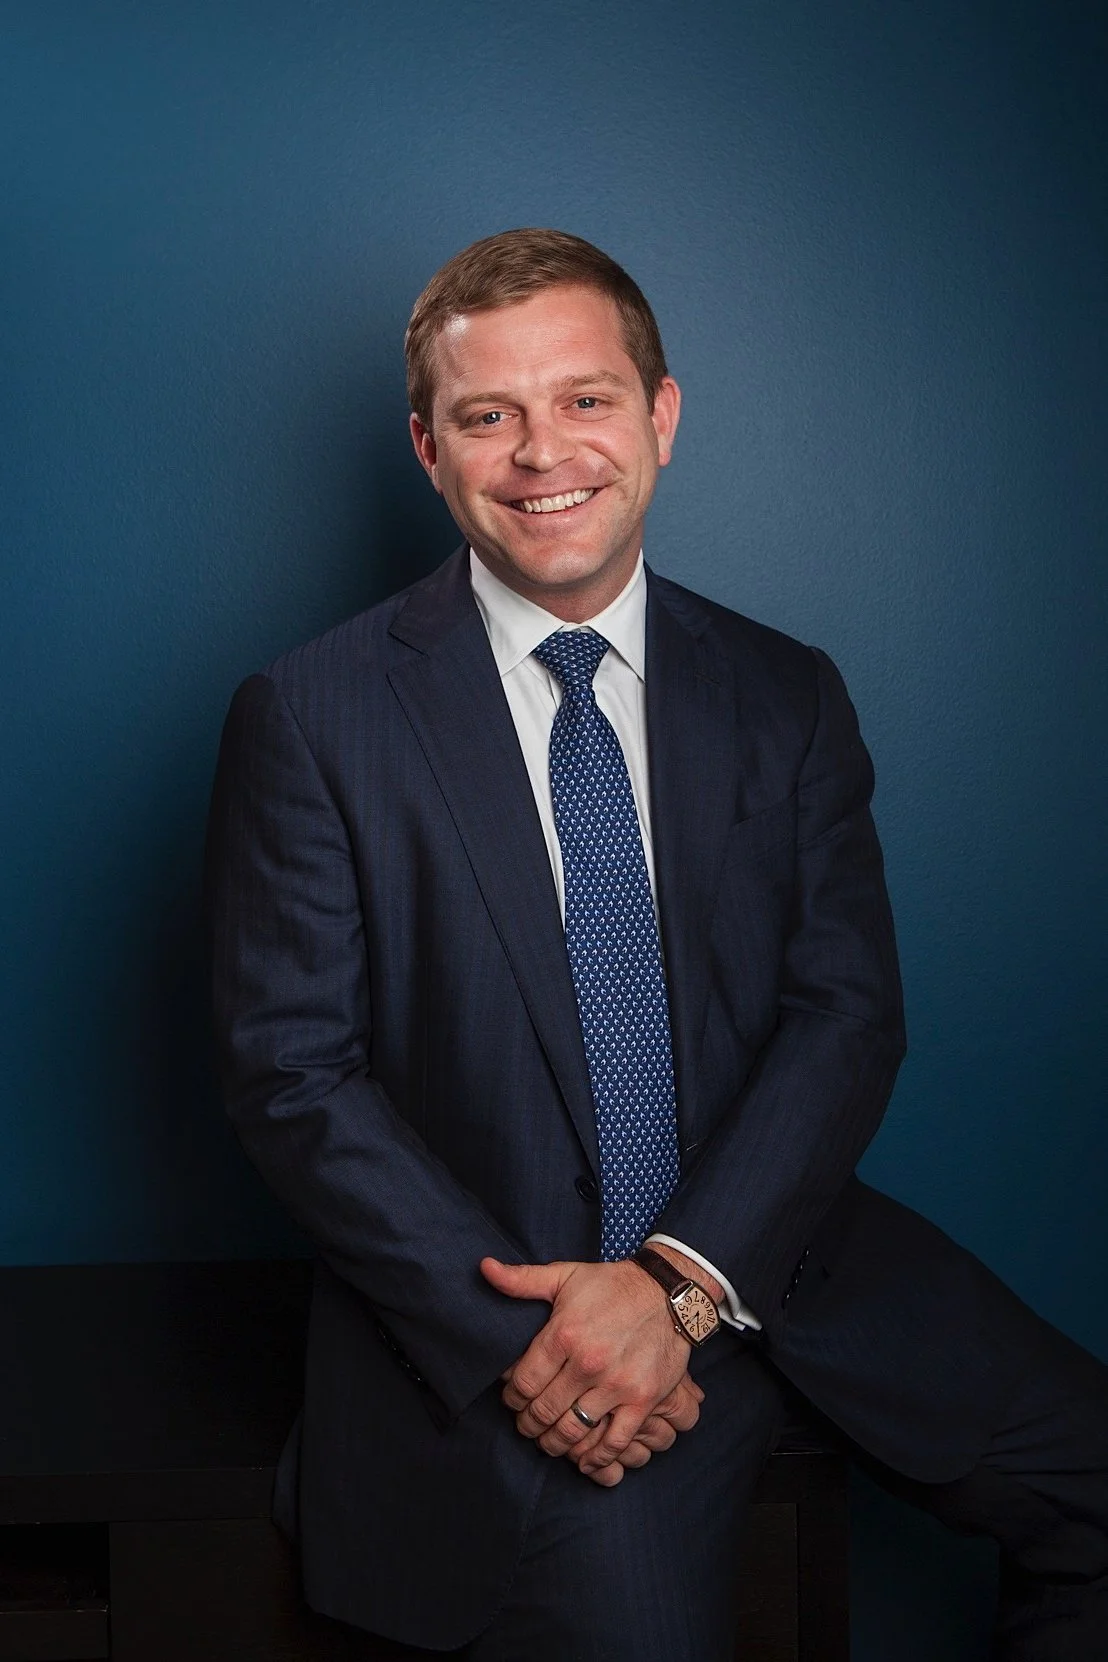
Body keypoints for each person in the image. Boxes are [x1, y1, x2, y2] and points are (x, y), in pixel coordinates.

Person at [205, 228, 1108, 1661]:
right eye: (489, 414)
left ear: (661, 418)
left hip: (777, 1250)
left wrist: (685, 1278)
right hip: (526, 1322)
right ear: (429, 448)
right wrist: (547, 1342)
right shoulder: (316, 717)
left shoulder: (783, 691)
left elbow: (845, 1012)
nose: (540, 450)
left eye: (585, 399)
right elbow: (293, 1076)